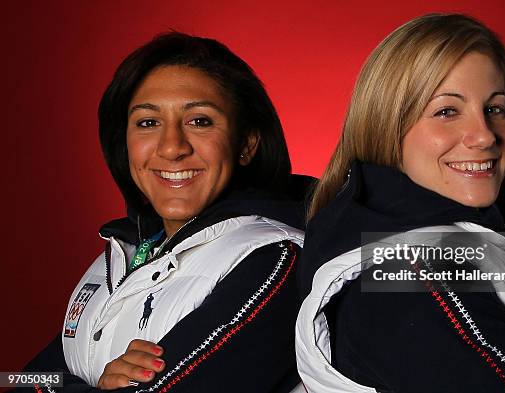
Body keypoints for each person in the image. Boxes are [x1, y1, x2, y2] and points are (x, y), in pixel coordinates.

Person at [295, 13, 505, 393]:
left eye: (495, 108)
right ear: (385, 126)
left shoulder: (499, 233)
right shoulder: (407, 279)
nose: (483, 136)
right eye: (447, 111)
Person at [22, 32, 311, 393]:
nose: (172, 147)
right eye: (147, 122)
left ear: (246, 144)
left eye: (200, 121)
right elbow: (18, 378)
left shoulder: (277, 258)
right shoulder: (120, 256)